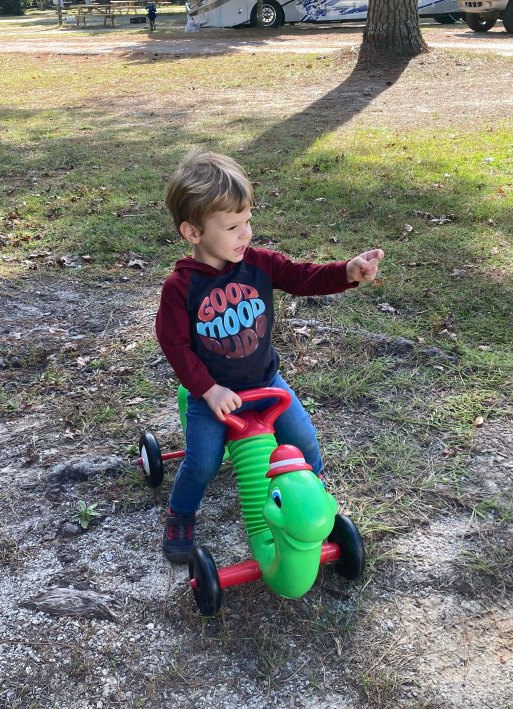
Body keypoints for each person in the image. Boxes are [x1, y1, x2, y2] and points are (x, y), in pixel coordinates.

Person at [156, 148, 384, 563]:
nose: (245, 234)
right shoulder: (180, 288)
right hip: (214, 398)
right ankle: (181, 513)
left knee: (304, 440)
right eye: (231, 227)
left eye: (247, 221)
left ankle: (310, 499)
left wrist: (346, 271)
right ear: (193, 232)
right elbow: (175, 346)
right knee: (203, 463)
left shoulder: (259, 264)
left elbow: (303, 276)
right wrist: (207, 390)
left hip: (265, 384)